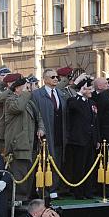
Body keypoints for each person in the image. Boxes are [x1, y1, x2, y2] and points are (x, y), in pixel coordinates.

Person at [3, 76, 46, 203]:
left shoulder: (29, 102)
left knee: (29, 173)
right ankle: (18, 198)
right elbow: (18, 108)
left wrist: (41, 128)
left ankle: (27, 197)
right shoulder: (10, 100)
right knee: (20, 172)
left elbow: (39, 116)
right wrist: (26, 93)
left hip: (31, 143)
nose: (28, 89)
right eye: (25, 87)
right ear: (17, 88)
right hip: (18, 144)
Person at [32, 68, 67, 199]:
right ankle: (43, 190)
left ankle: (54, 189)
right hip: (44, 134)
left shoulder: (61, 93)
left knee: (57, 161)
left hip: (59, 133)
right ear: (45, 79)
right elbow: (35, 114)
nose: (56, 79)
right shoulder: (37, 94)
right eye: (52, 77)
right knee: (45, 161)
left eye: (57, 77)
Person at [65, 77, 99, 199]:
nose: (91, 91)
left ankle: (88, 192)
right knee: (79, 167)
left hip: (90, 140)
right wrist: (80, 93)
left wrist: (97, 139)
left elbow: (95, 123)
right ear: (82, 89)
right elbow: (73, 107)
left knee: (89, 167)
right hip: (79, 140)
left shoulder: (92, 103)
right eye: (88, 89)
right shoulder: (74, 100)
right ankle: (78, 192)